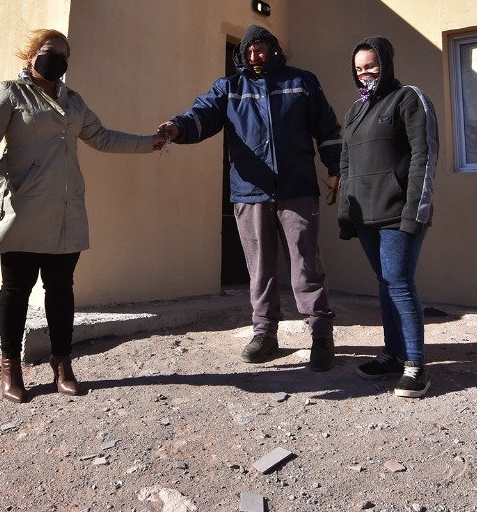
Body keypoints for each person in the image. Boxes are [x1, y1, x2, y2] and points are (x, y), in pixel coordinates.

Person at [0, 29, 164, 403]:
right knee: (16, 290)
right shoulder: (10, 92)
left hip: (66, 210)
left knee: (61, 290)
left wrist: (149, 143)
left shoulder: (74, 101)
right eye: (50, 51)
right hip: (22, 208)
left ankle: (62, 365)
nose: (58, 59)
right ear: (31, 55)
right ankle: (11, 367)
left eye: (64, 55)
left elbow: (102, 137)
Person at [157, 25, 342, 370]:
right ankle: (265, 334)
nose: (255, 55)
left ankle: (320, 336)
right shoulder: (229, 88)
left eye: (261, 48)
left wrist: (336, 166)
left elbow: (327, 127)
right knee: (260, 269)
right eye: (249, 50)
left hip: (297, 188)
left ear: (273, 49)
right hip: (249, 191)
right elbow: (201, 114)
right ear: (242, 55)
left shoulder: (302, 82)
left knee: (306, 265)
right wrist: (178, 127)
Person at [337, 36, 438, 398]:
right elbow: (346, 164)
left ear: (386, 63)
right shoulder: (355, 110)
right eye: (359, 68)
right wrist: (347, 212)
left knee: (398, 282)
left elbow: (424, 155)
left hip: (399, 212)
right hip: (366, 216)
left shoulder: (409, 98)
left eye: (371, 66)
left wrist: (415, 211)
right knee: (385, 283)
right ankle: (393, 354)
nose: (365, 73)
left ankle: (415, 365)